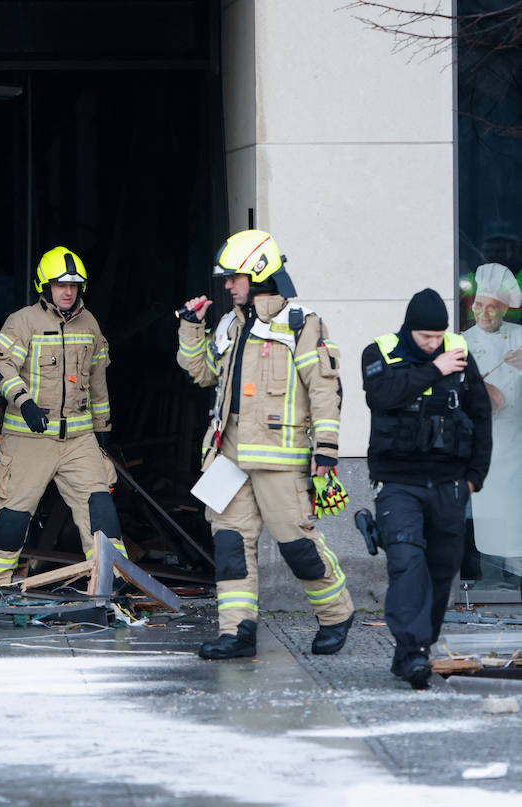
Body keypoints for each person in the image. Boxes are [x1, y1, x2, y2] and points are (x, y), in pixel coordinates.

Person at [176, 229, 355, 659]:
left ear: (259, 274)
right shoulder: (229, 325)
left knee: (299, 546)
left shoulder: (300, 324)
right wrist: (189, 327)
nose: (227, 285)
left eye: (234, 277)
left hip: (280, 460)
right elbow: (202, 374)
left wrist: (326, 451)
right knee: (230, 547)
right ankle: (236, 633)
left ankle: (336, 614)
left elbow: (325, 390)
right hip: (230, 457)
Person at [362, 288, 492, 689]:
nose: (435, 344)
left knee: (441, 571)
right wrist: (436, 367)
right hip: (400, 483)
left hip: (451, 485)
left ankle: (411, 653)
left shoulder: (461, 353)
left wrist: (475, 477)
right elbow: (382, 396)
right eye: (426, 338)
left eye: (439, 337)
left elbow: (481, 415)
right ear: (409, 331)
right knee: (406, 563)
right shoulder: (379, 353)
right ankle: (417, 651)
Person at [0, 245, 124, 584]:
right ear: (45, 287)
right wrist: (24, 401)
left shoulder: (90, 324)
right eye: (61, 285)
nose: (68, 292)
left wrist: (103, 429)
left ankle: (111, 584)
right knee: (11, 516)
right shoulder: (23, 321)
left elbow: (98, 379)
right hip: (29, 439)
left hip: (79, 440)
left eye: (74, 285)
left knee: (100, 513)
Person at [463, 263, 522, 581]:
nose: (484, 314)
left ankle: (515, 573)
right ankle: (480, 573)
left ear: (506, 311)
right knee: (484, 516)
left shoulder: (520, 338)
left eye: (494, 308)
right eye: (479, 306)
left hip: (516, 441)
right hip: (482, 443)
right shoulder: (461, 342)